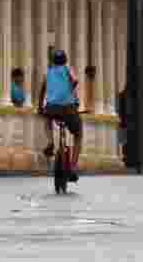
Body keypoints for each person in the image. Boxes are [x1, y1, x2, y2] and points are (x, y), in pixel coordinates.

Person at [38, 49, 83, 183]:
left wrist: (40, 106)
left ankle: (51, 142)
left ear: (53, 61)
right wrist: (69, 90)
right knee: (78, 134)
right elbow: (75, 80)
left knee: (47, 118)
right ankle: (73, 167)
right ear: (65, 60)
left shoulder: (48, 72)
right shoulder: (67, 68)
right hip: (68, 107)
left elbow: (42, 90)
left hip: (52, 107)